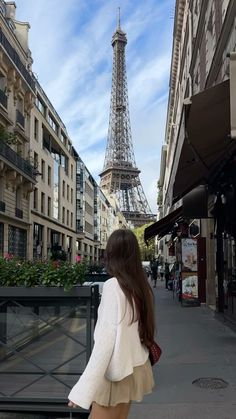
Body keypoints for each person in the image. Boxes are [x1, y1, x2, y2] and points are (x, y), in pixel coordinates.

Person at [68, 229, 155, 419]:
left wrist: (82, 389)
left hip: (117, 373)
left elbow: (105, 343)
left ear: (111, 254)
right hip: (135, 367)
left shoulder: (113, 286)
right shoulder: (141, 286)